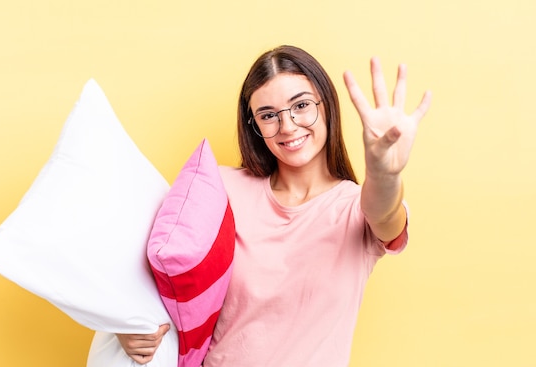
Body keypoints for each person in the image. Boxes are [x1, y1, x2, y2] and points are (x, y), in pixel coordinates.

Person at [116, 44, 431, 366]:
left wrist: (383, 173)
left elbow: (386, 213)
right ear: (253, 125)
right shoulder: (223, 187)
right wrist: (130, 326)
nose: (288, 126)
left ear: (327, 106)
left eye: (302, 106)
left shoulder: (356, 208)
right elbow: (166, 270)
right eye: (268, 115)